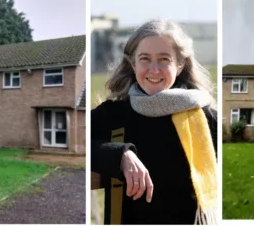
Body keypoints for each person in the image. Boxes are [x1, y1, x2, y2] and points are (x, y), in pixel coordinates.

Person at [91, 19, 218, 225]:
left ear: (180, 65)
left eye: (164, 59)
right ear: (133, 64)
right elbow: (78, 141)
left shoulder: (205, 119)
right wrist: (120, 155)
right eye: (145, 59)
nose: (154, 69)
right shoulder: (112, 115)